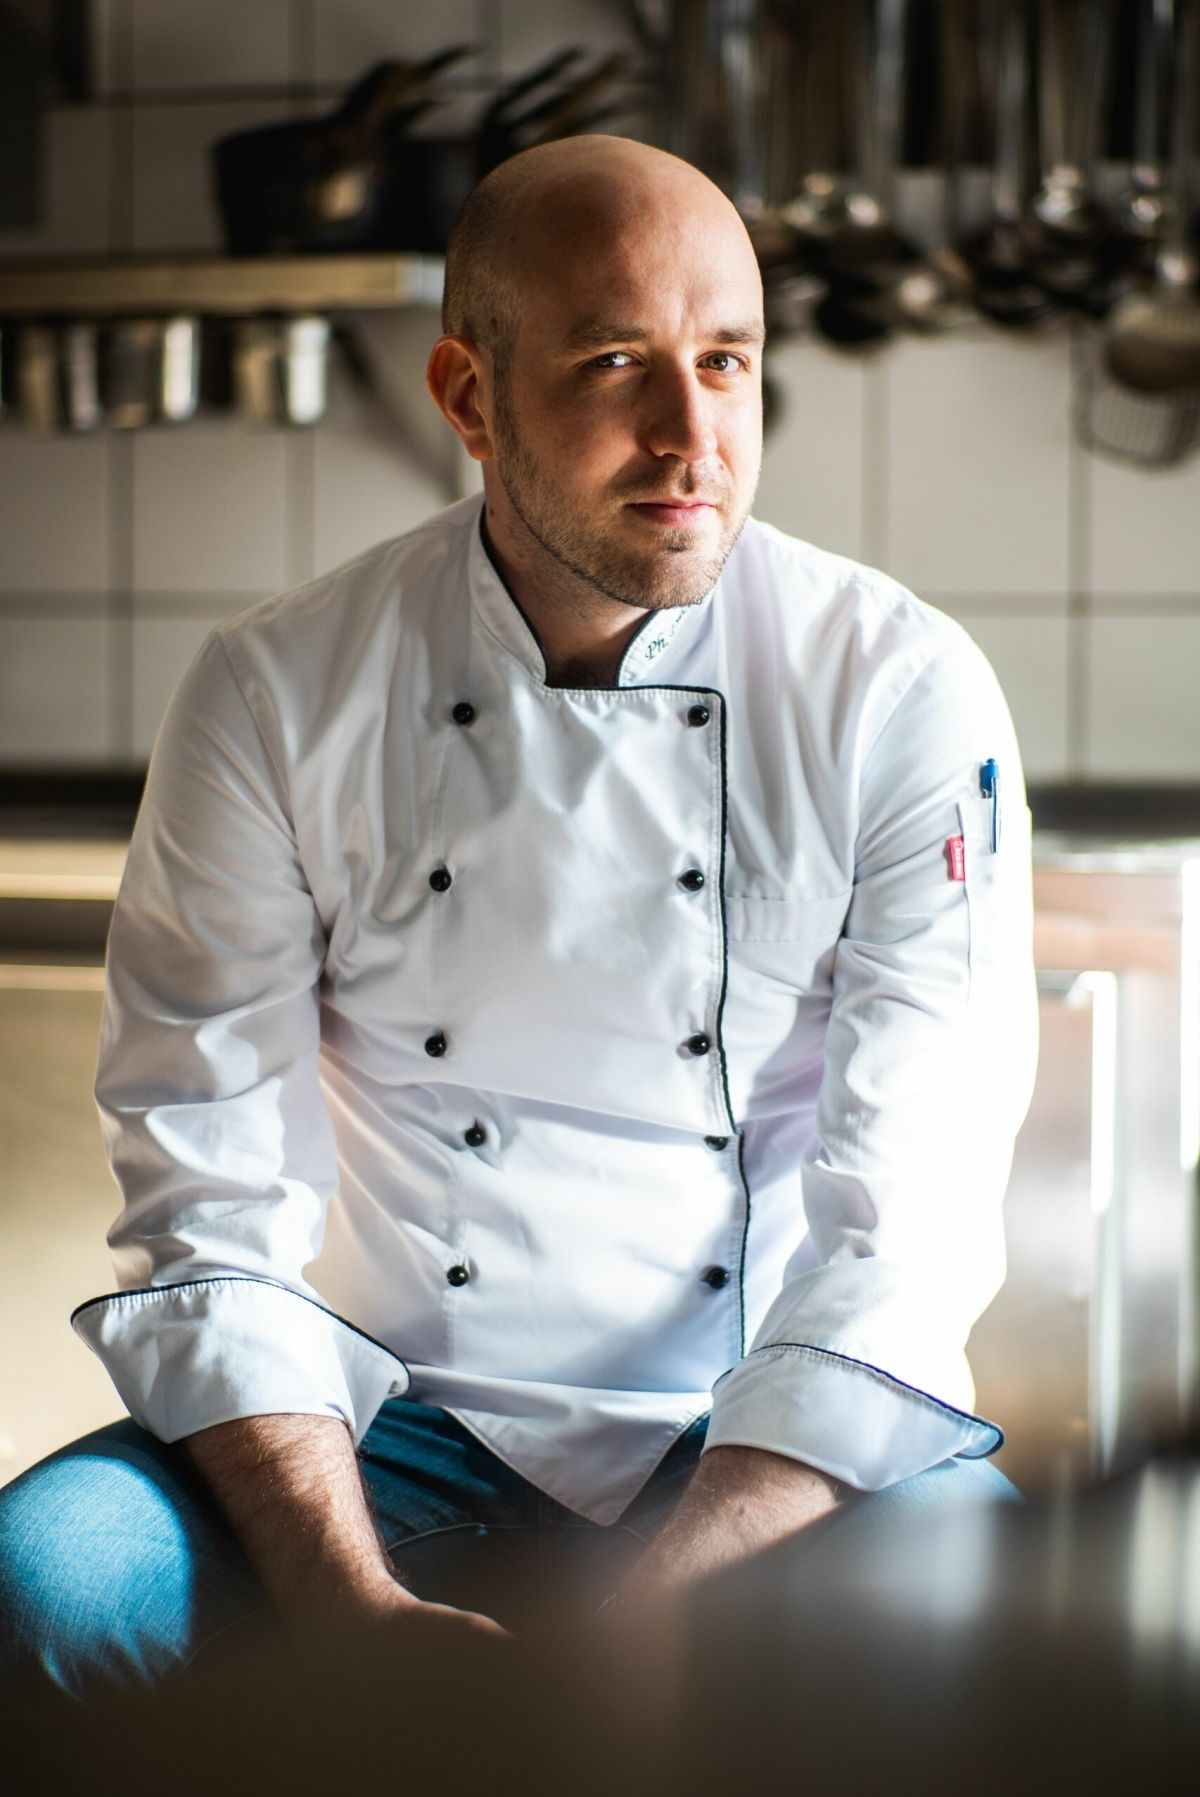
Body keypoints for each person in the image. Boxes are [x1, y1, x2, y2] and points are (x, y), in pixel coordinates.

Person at [0, 136, 1037, 1700]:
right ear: (469, 396)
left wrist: (643, 1625)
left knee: (1005, 1633)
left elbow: (908, 1232)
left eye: (728, 363)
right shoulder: (278, 693)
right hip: (391, 1417)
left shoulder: (894, 688)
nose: (693, 435)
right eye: (618, 362)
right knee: (46, 1586)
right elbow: (214, 1199)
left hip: (758, 1421)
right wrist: (340, 1600)